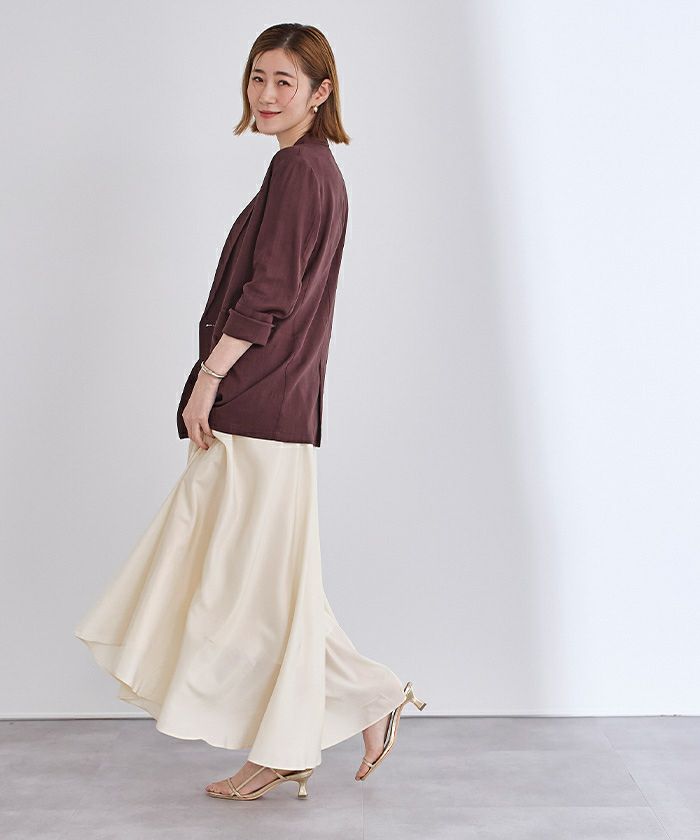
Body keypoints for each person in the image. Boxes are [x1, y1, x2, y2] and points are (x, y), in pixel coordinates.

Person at [74, 22, 426, 803]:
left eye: (283, 82)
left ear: (321, 92)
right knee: (265, 580)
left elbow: (269, 294)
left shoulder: (301, 172)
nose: (265, 95)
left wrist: (207, 379)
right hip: (273, 405)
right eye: (257, 77)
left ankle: (295, 739)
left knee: (249, 585)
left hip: (258, 404)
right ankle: (359, 704)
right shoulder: (306, 169)